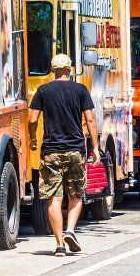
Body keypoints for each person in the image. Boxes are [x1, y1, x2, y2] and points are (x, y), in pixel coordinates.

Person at [29, 53, 98, 256]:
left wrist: (33, 138)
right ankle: (70, 230)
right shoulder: (80, 90)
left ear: (53, 70)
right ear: (69, 69)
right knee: (76, 194)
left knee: (54, 197)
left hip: (51, 152)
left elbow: (32, 119)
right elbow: (90, 120)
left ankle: (59, 245)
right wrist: (94, 147)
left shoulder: (43, 90)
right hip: (75, 149)